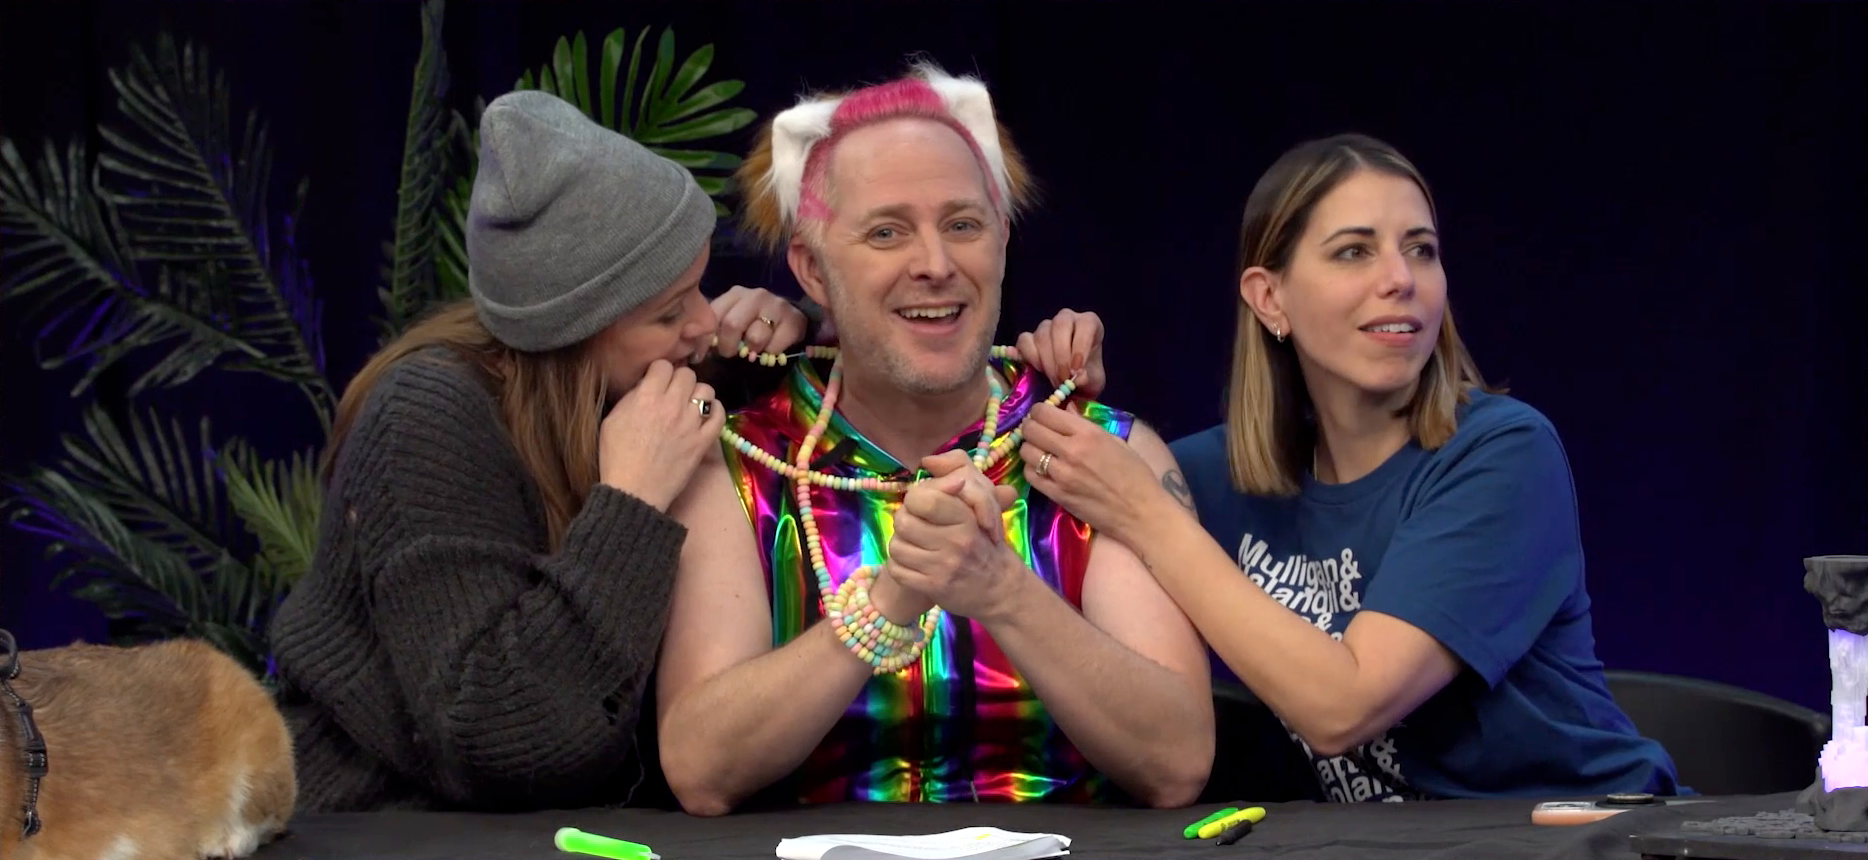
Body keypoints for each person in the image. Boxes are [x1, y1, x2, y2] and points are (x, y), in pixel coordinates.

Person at [1015, 133, 1684, 802]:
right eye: (1355, 252)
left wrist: (1149, 516)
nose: (1400, 278)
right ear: (1269, 298)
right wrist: (1061, 392)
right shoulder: (1222, 476)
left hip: (1583, 838)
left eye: (1420, 249)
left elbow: (1345, 707)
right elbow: (1093, 471)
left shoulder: (1505, 455)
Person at [651, 63, 1215, 817]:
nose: (936, 265)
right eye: (886, 232)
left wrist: (1002, 589)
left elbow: (1177, 763)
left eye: (962, 225)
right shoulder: (739, 464)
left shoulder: (1100, 451)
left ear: (1003, 243)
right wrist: (886, 602)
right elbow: (700, 769)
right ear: (811, 270)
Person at [266, 88, 840, 814]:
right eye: (670, 311)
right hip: (379, 825)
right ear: (574, 333)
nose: (702, 323)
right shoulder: (427, 421)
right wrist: (630, 504)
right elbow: (501, 742)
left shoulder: (632, 378)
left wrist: (800, 326)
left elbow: (847, 390)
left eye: (700, 288)